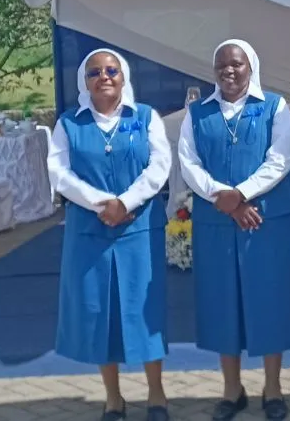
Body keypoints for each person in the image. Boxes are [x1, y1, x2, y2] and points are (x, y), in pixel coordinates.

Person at [178, 39, 290, 421]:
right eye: (221, 65)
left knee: (269, 300)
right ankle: (232, 389)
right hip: (217, 222)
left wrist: (242, 194)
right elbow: (188, 162)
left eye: (236, 64)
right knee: (222, 302)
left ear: (252, 67)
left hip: (264, 220)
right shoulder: (197, 113)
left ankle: (273, 387)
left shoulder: (274, 107)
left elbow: (280, 158)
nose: (228, 71)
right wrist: (224, 198)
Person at [48, 49, 172, 421]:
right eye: (94, 72)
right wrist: (102, 203)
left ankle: (156, 394)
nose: (104, 77)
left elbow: (160, 165)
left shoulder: (145, 117)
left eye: (111, 70)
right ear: (84, 82)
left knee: (144, 310)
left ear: (123, 76)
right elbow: (59, 173)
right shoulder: (68, 124)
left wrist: (126, 202)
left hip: (138, 231)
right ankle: (113, 398)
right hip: (91, 231)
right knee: (100, 311)